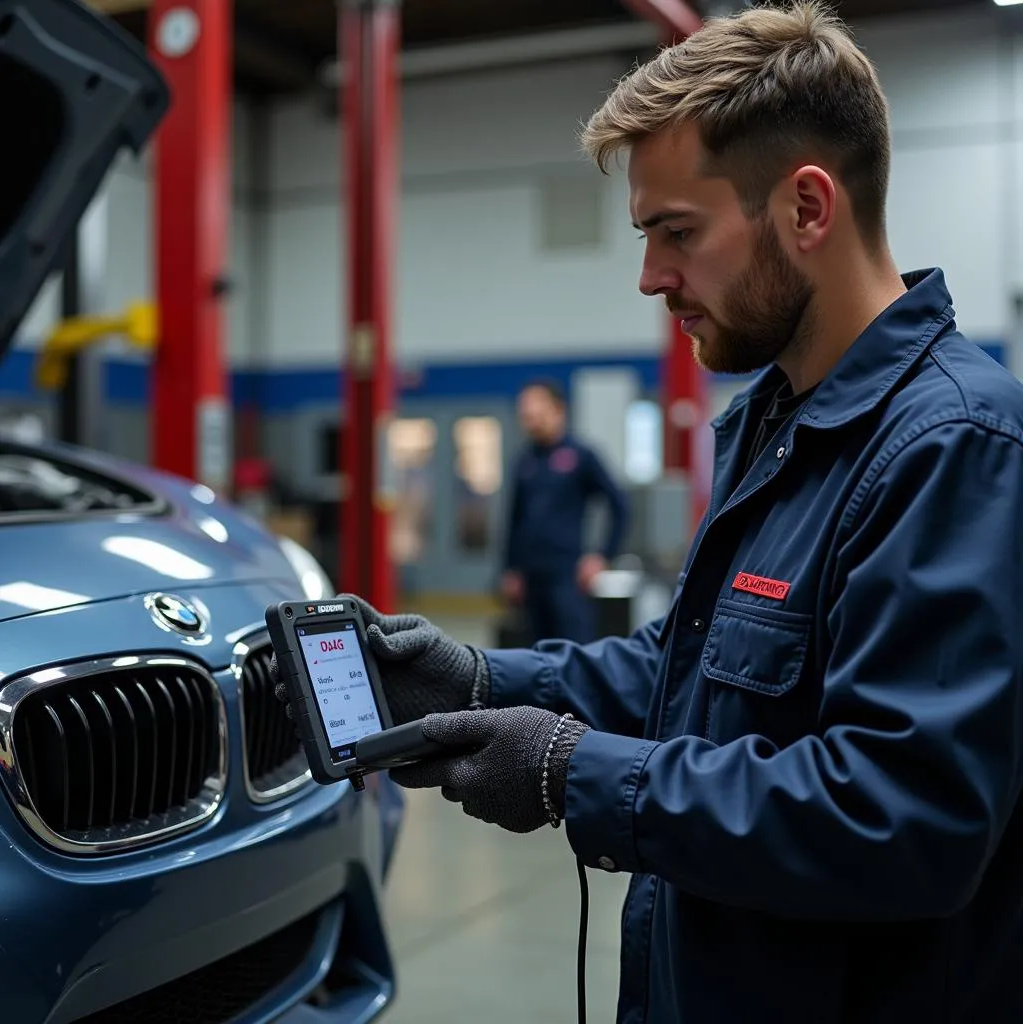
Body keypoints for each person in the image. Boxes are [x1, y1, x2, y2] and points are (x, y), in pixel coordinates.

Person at [275, 3, 1023, 1020]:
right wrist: (489, 676)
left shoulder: (952, 447)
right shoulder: (771, 422)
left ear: (807, 209)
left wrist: (570, 773)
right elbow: (689, 669)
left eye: (676, 232)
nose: (649, 277)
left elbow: (902, 815)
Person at [500, 379, 630, 644]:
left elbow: (619, 506)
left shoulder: (581, 456)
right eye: (526, 416)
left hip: (568, 575)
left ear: (559, 410)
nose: (531, 421)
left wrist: (602, 556)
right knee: (537, 650)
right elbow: (515, 520)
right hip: (531, 576)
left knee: (574, 649)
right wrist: (510, 569)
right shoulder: (525, 461)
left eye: (537, 413)